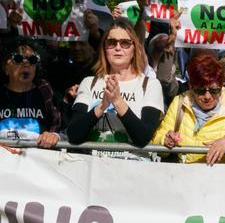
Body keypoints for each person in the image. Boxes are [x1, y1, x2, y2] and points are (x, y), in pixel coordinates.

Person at [67, 18, 164, 148]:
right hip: (93, 165)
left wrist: (118, 101)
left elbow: (143, 137)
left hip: (132, 164)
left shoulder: (150, 85)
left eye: (125, 43)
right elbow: (73, 135)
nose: (118, 48)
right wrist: (102, 106)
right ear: (104, 48)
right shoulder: (89, 82)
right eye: (111, 42)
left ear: (134, 49)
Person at [0, 42, 61, 150]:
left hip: (36, 163)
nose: (26, 64)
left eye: (32, 60)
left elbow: (60, 127)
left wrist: (54, 135)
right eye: (18, 58)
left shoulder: (46, 91)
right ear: (5, 68)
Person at [153, 54, 225, 164]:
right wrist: (164, 140)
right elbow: (157, 140)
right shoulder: (179, 103)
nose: (207, 96)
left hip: (222, 178)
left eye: (214, 91)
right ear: (191, 86)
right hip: (185, 177)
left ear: (222, 85)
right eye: (200, 90)